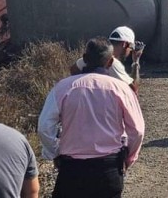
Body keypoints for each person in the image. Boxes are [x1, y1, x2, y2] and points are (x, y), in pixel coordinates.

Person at [39, 38, 145, 198]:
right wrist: (128, 159)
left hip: (72, 169)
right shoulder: (121, 89)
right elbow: (137, 130)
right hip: (108, 168)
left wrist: (54, 153)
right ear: (110, 63)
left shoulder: (63, 87)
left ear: (85, 59)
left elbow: (44, 127)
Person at [71, 25, 144, 94]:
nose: (130, 51)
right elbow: (133, 90)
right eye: (131, 47)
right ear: (124, 44)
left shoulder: (91, 57)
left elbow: (73, 70)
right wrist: (136, 61)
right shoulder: (114, 63)